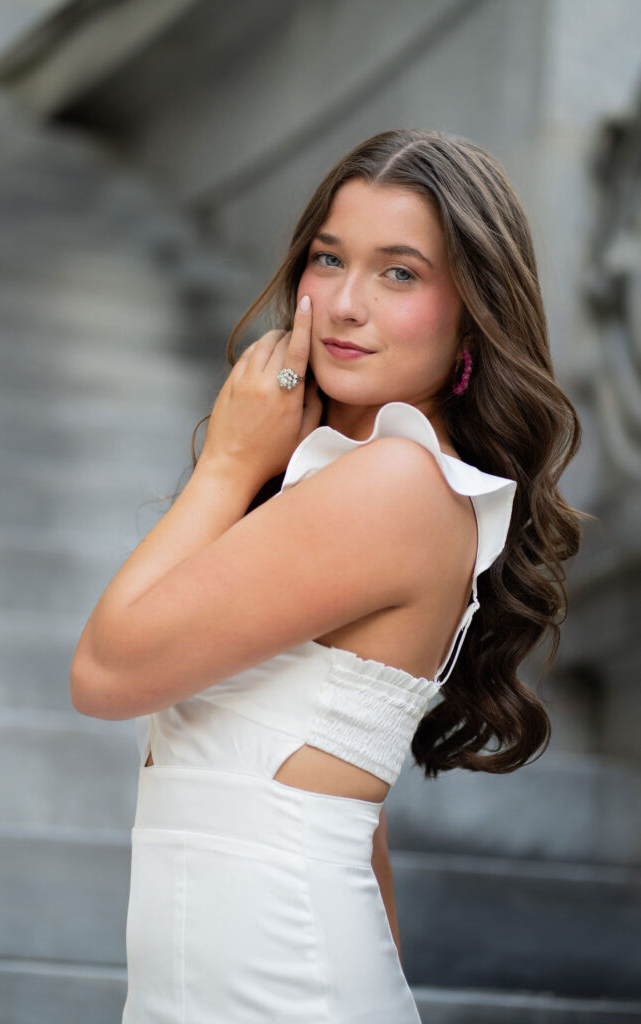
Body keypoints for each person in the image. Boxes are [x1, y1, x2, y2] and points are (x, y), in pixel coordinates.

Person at [70, 128, 583, 1023]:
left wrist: (226, 468)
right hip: (240, 973)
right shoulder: (357, 480)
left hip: (276, 978)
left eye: (399, 273)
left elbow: (106, 673)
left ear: (472, 312)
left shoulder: (396, 484)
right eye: (327, 259)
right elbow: (359, 824)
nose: (345, 303)